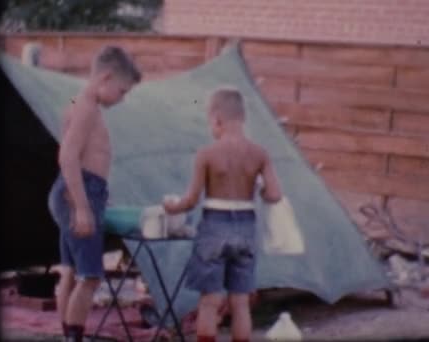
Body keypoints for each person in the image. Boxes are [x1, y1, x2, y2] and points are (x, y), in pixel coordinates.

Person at [163, 86, 282, 342]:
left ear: (216, 119)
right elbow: (275, 195)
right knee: (240, 302)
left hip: (214, 227)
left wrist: (171, 207)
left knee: (209, 302)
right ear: (243, 118)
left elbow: (191, 201)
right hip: (246, 228)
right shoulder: (260, 153)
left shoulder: (206, 154)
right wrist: (258, 188)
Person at [47, 45, 141, 342]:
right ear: (106, 77)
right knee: (90, 277)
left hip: (76, 189)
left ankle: (67, 334)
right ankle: (74, 337)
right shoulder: (87, 108)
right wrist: (83, 206)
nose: (122, 98)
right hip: (79, 191)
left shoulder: (78, 102)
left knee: (71, 272)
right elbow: (67, 157)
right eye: (122, 91)